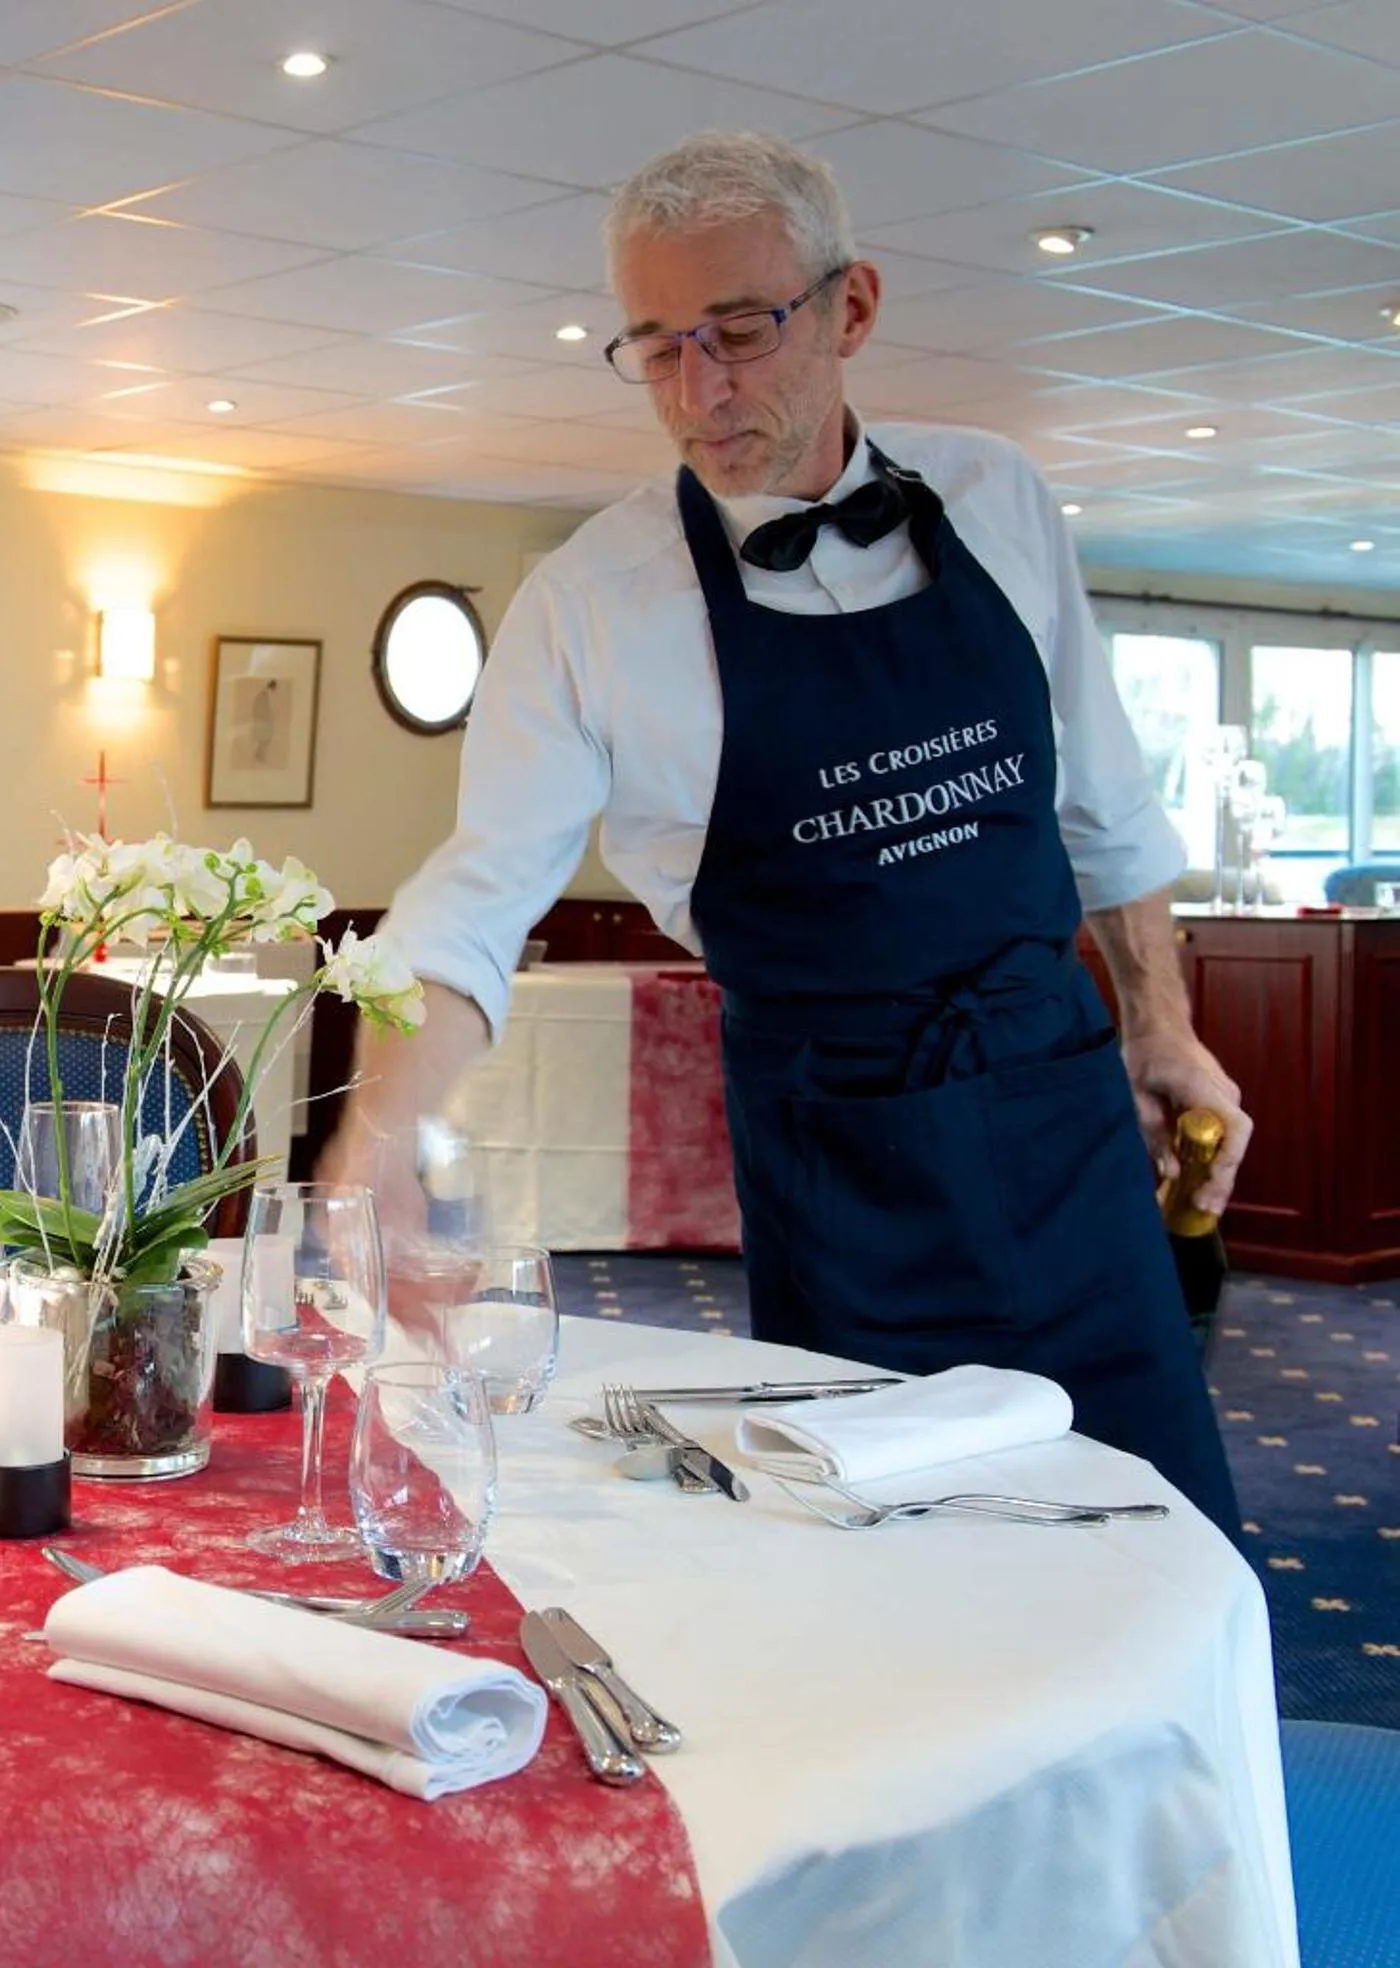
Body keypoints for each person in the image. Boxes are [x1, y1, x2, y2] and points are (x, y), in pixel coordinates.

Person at [324, 131, 1248, 1537]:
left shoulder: (998, 495)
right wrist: (383, 1131)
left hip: (1067, 1132)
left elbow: (1108, 813)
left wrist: (1161, 1027)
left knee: (1170, 1537)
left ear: (851, 308)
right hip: (844, 1164)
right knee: (895, 1584)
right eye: (658, 347)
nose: (703, 391)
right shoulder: (593, 606)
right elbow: (476, 898)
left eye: (740, 332)